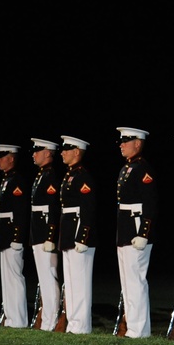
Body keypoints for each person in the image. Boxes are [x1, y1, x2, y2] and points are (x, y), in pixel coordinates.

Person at [115, 126, 157, 338]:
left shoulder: (143, 169)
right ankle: (133, 327)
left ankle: (139, 329)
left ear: (138, 144)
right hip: (125, 230)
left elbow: (150, 202)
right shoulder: (127, 168)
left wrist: (144, 232)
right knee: (127, 282)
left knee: (136, 281)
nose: (121, 144)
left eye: (126, 141)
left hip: (136, 229)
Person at [58, 135, 97, 334]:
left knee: (80, 281)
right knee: (71, 282)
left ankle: (81, 325)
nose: (62, 152)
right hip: (68, 232)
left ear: (77, 152)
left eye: (67, 149)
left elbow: (88, 208)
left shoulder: (82, 176)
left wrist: (83, 236)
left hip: (79, 234)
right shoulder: (70, 174)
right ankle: (73, 323)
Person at [0, 144, 30, 327]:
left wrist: (17, 237)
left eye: (2, 156)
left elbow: (20, 211)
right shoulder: (6, 179)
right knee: (6, 277)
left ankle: (19, 319)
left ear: (12, 158)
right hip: (4, 232)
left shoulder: (16, 180)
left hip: (12, 234)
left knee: (14, 276)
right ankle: (10, 317)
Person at [29, 137, 63, 330]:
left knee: (49, 276)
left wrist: (51, 235)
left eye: (38, 150)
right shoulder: (42, 175)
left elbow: (53, 208)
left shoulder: (50, 176)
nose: (34, 154)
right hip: (38, 232)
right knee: (44, 277)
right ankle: (47, 318)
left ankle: (51, 319)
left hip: (45, 234)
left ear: (48, 153)